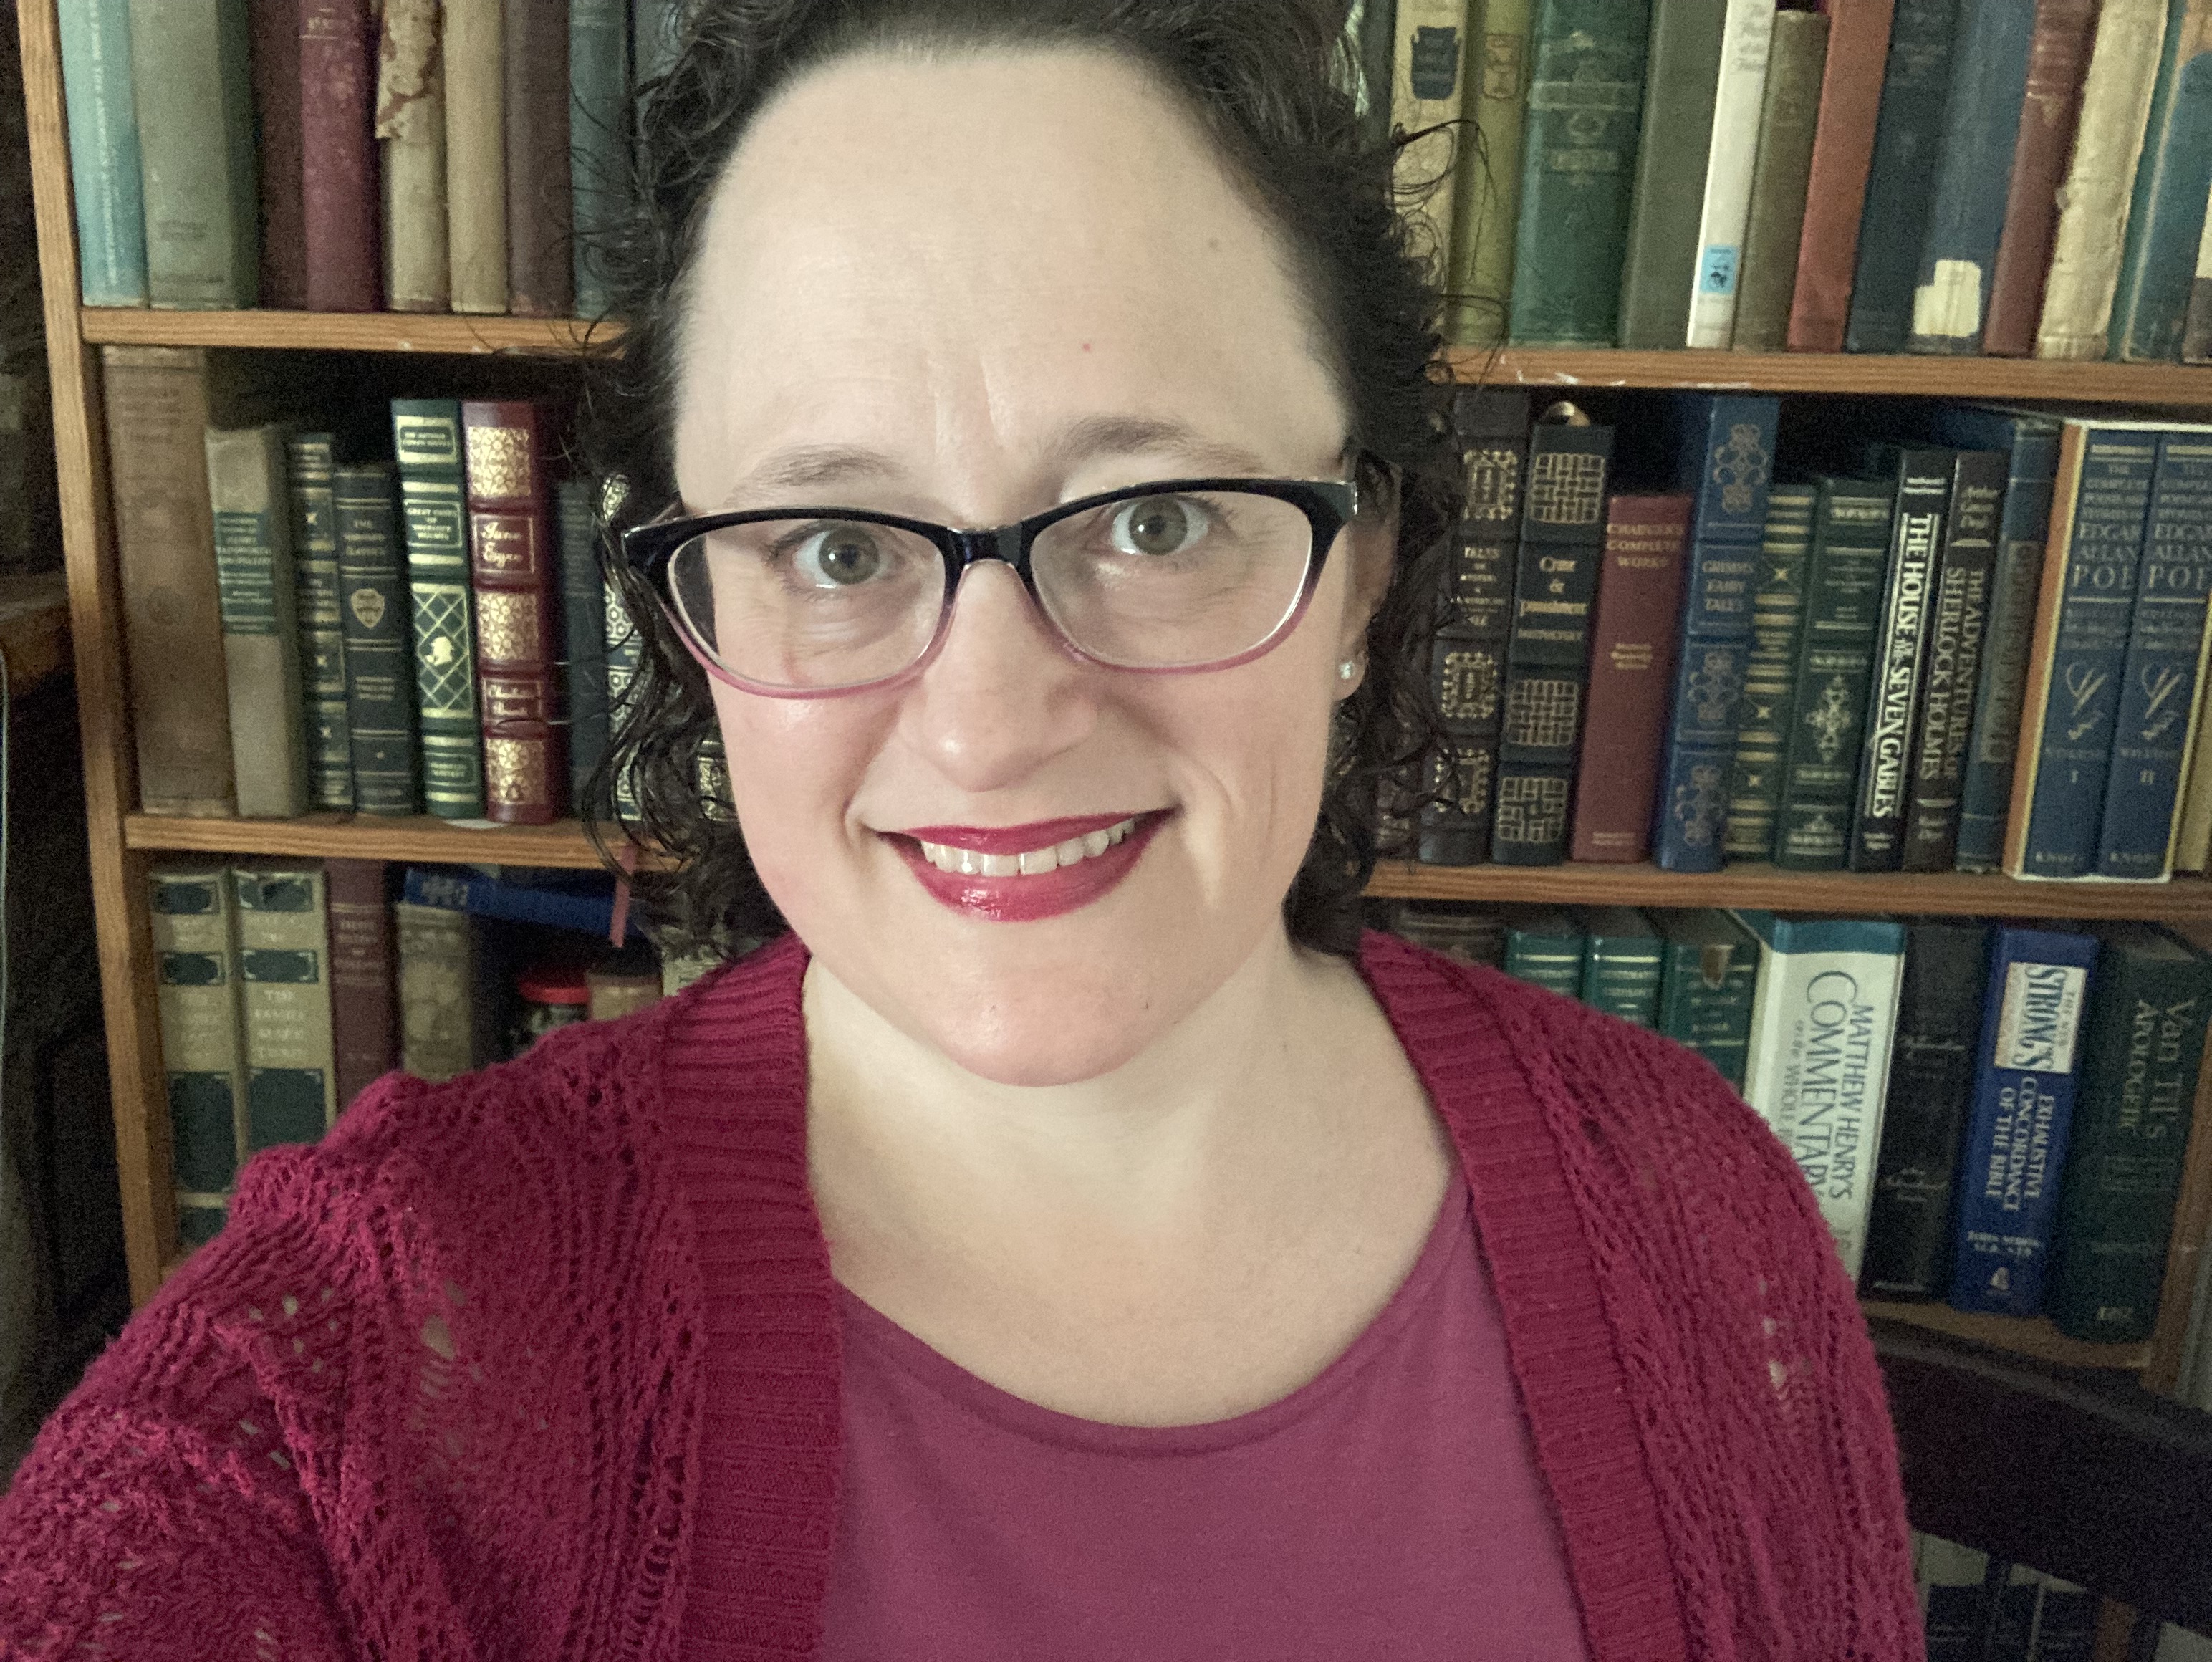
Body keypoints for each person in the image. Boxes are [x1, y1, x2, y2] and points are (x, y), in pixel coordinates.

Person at [0, 3, 1924, 1657]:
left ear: (1362, 569)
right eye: (835, 548)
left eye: (1155, 517)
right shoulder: (361, 1364)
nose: (994, 723)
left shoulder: (1700, 1215)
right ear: (694, 610)